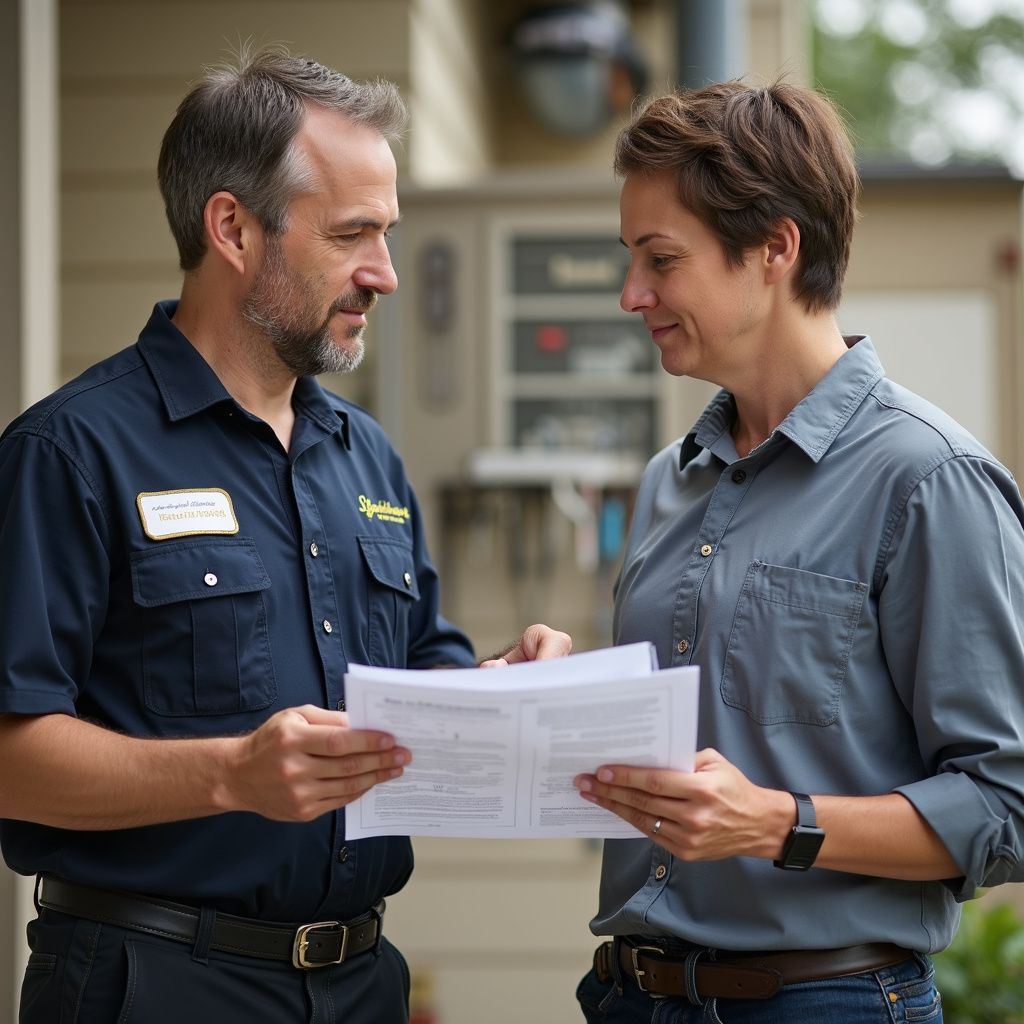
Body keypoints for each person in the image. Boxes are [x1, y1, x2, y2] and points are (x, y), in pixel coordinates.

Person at [0, 46, 569, 1024]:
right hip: (153, 981)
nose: (384, 274)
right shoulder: (69, 453)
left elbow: (411, 688)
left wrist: (496, 689)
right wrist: (230, 773)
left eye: (386, 234)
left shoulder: (370, 459)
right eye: (353, 234)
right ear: (231, 227)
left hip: (361, 981)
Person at [571, 79, 1024, 1022]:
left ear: (776, 247)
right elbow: (711, 734)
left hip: (826, 1004)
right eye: (631, 259)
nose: (631, 294)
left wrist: (780, 825)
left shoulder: (929, 481)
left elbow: (1005, 806)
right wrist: (558, 695)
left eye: (661, 260)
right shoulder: (670, 480)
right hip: (632, 998)